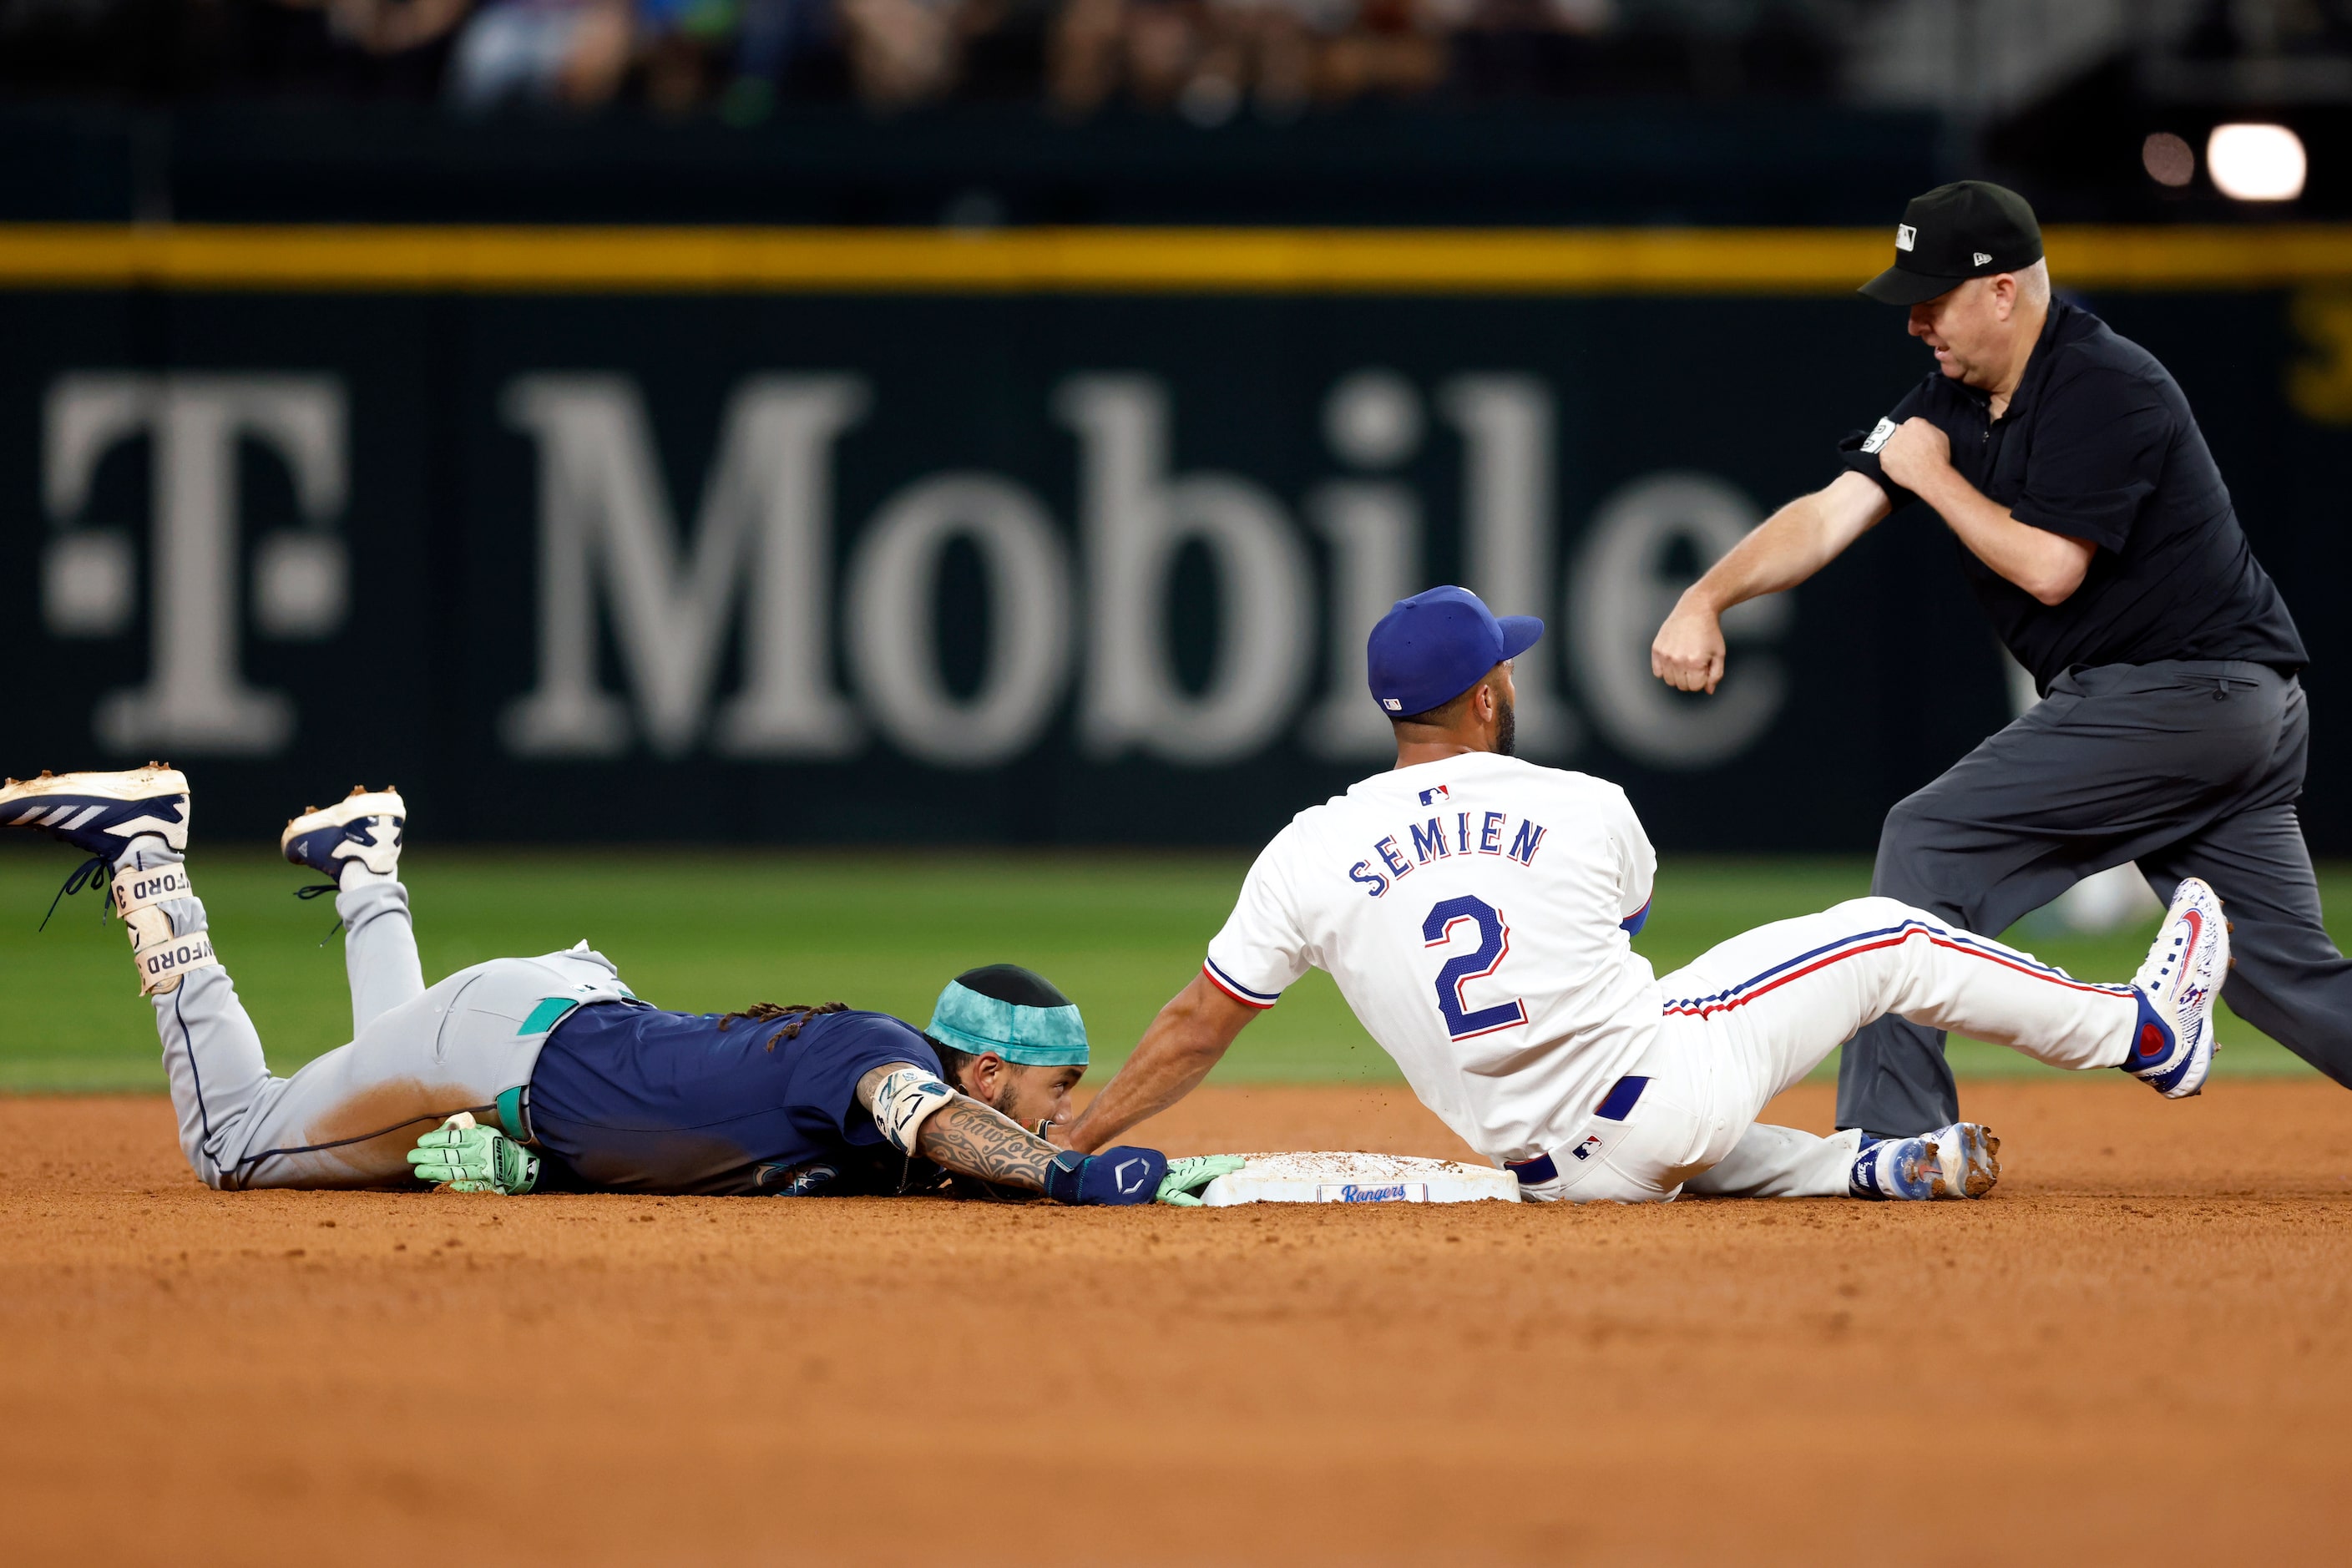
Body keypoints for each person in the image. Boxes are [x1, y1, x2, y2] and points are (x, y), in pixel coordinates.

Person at [1057, 586, 2228, 1203]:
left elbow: (1196, 1023)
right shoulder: (1583, 802)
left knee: (1653, 1093)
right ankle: (2143, 1029)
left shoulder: (1306, 847)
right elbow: (1611, 953)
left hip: (1551, 1177)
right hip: (1652, 1101)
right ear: (1488, 691)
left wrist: (1082, 1131)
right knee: (1886, 936)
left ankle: (1867, 1167)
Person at [1649, 179, 2334, 1140]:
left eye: (1934, 298)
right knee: (2281, 979)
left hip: (2186, 693)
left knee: (1927, 841)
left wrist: (1930, 478)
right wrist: (1706, 594)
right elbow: (1827, 514)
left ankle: (1895, 1139)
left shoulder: (2108, 384)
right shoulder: (1950, 397)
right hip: (2218, 711)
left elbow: (2051, 569)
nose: (1916, 321)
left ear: (2004, 291)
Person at [0, 766, 1234, 1207]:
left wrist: (534, 1169)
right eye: (1050, 1090)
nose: (1055, 1112)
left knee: (392, 1070)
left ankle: (366, 862)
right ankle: (150, 857)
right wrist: (1063, 1171)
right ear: (981, 1068)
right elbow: (934, 1122)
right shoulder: (888, 1068)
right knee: (235, 1144)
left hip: (543, 1022)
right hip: (510, 1043)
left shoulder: (875, 1095)